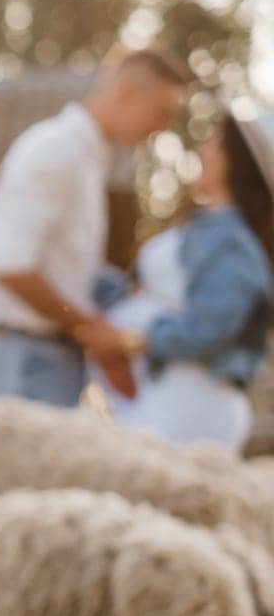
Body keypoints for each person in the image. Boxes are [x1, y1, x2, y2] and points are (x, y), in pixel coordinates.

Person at [0, 46, 189, 405]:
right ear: (125, 92)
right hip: (30, 361)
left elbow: (64, 272)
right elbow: (10, 269)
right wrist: (92, 328)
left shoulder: (88, 161)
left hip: (50, 358)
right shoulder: (56, 152)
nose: (161, 129)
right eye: (160, 113)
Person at [83, 110, 274, 451]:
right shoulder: (208, 229)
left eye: (215, 144)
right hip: (166, 396)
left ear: (235, 163)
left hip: (189, 403)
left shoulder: (232, 244)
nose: (203, 150)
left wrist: (125, 341)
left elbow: (209, 328)